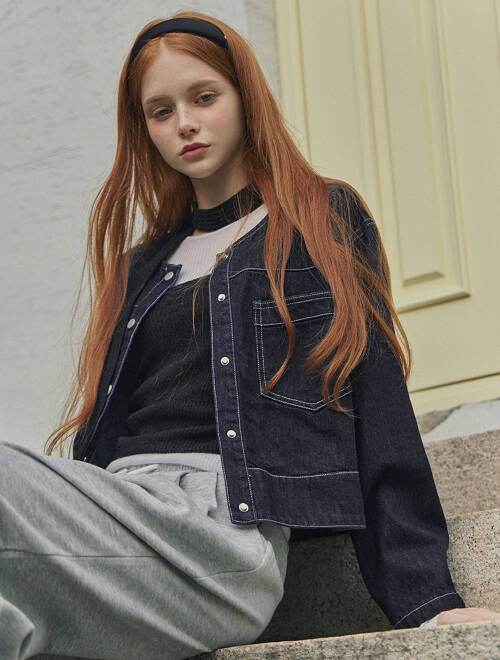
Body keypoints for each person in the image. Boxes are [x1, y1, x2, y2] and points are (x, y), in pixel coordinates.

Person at [1, 9, 499, 660]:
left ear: (245, 98)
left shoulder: (319, 220)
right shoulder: (139, 267)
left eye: (204, 97)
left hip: (220, 531)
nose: (185, 123)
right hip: (119, 505)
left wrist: (426, 599)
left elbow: (376, 404)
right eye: (160, 112)